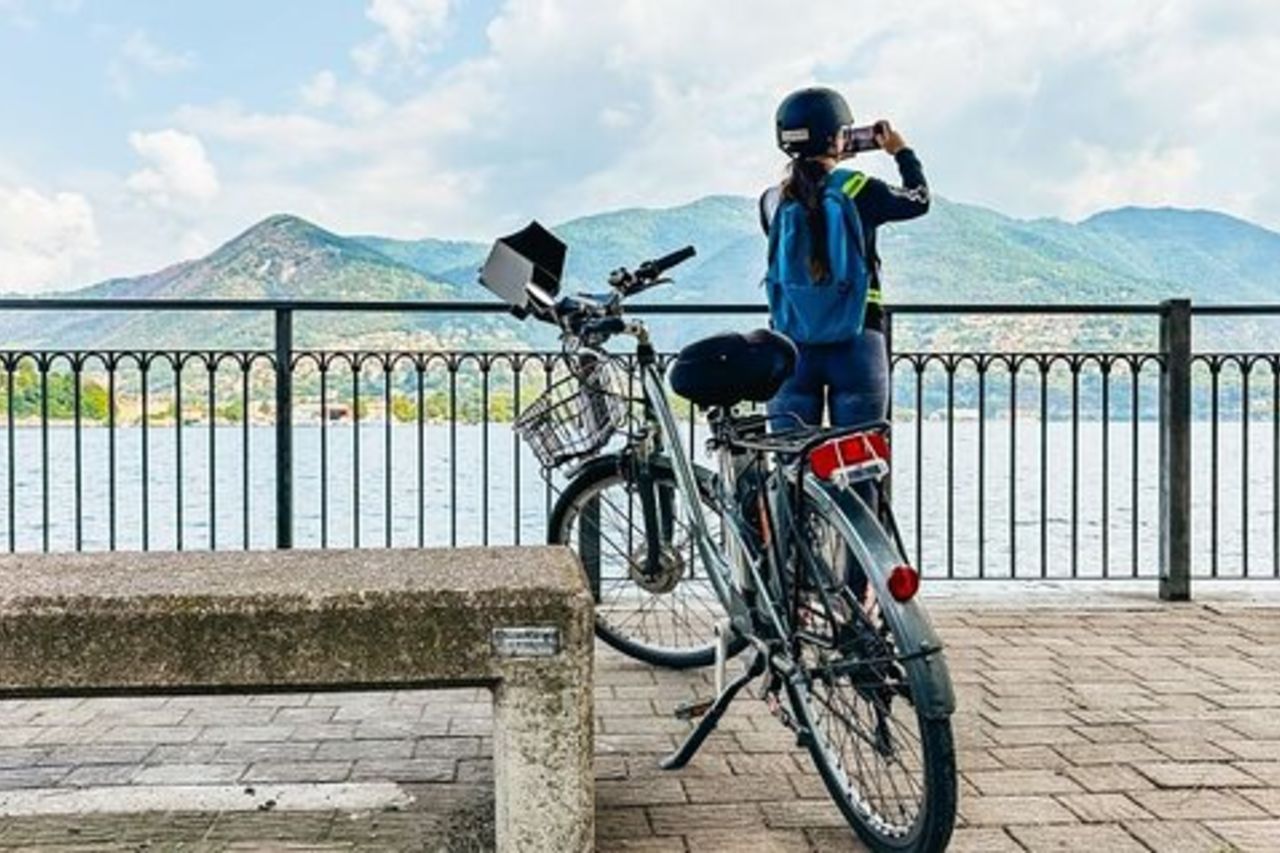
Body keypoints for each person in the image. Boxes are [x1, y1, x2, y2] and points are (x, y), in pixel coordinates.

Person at [760, 86, 930, 437]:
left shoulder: (772, 201)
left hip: (791, 345)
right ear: (835, 138)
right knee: (858, 464)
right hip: (856, 342)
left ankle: (790, 491)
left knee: (791, 461)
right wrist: (900, 150)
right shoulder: (858, 188)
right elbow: (919, 199)